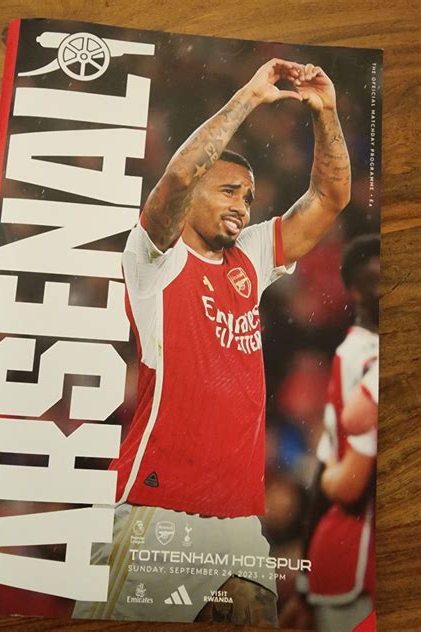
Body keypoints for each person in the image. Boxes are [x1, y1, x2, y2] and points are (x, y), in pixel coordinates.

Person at [73, 57, 351, 625]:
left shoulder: (250, 256)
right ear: (196, 191)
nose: (241, 206)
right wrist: (249, 97)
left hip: (239, 518)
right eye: (227, 190)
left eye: (247, 197)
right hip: (159, 507)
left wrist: (326, 113)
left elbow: (329, 197)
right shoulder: (155, 257)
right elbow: (176, 178)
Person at [280, 234, 380, 632]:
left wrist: (305, 588)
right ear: (356, 292)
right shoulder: (364, 357)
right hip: (355, 559)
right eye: (375, 281)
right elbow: (343, 482)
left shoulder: (352, 352)